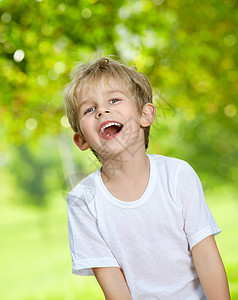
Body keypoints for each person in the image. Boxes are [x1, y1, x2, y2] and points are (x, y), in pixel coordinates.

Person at [63, 56, 230, 300]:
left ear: (145, 115)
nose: (102, 110)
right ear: (82, 140)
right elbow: (113, 285)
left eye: (114, 100)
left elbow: (206, 258)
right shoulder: (83, 201)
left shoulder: (177, 176)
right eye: (89, 109)